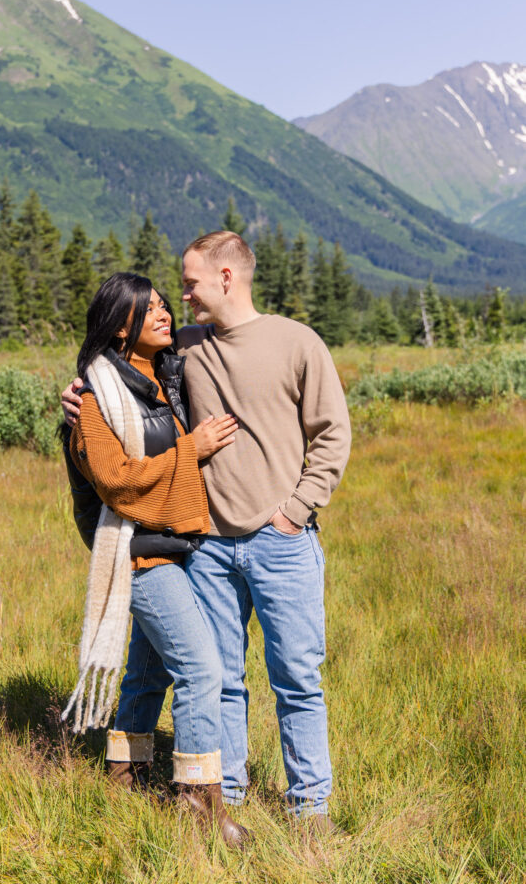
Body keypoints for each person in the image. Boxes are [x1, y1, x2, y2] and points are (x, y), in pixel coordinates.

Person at [62, 233, 351, 836]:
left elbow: (331, 437)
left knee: (298, 679)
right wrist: (77, 394)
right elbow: (119, 377)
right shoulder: (184, 349)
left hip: (282, 542)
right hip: (209, 548)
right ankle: (230, 798)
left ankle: (311, 809)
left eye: (189, 283)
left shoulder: (297, 342)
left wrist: (294, 511)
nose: (181, 296)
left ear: (226, 277)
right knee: (222, 680)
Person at [60, 271, 249, 848]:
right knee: (202, 670)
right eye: (151, 310)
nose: (166, 315)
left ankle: (125, 777)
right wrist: (193, 449)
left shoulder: (161, 377)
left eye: (168, 305)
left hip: (175, 542)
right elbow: (116, 482)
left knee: (147, 673)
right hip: (137, 553)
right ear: (121, 328)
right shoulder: (94, 396)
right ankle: (199, 808)